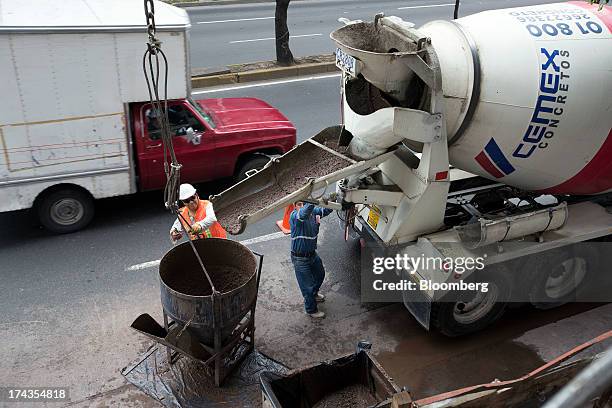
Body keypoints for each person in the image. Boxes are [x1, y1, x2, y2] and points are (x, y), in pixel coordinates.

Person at [289, 201, 333, 318]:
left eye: (304, 204)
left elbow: (327, 209)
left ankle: (314, 294)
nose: (302, 207)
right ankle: (311, 310)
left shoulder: (314, 213)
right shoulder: (295, 217)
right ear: (295, 206)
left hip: (312, 255)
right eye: (299, 204)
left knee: (320, 275)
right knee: (307, 287)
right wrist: (311, 201)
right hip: (300, 259)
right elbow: (303, 213)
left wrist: (337, 199)